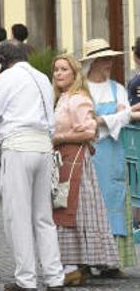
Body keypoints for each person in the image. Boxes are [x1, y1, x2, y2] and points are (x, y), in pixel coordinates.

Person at [0, 41, 64, 290]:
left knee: (18, 217)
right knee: (43, 216)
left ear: (2, 61)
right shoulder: (42, 77)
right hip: (43, 147)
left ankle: (26, 279)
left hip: (18, 147)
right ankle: (54, 276)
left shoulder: (6, 78)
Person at [50, 54, 120, 286]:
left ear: (75, 74)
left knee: (72, 210)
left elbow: (89, 132)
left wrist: (59, 137)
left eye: (64, 69)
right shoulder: (63, 98)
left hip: (76, 159)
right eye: (56, 70)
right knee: (64, 208)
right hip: (64, 158)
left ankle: (72, 266)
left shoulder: (79, 99)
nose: (59, 73)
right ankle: (69, 265)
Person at [80, 38, 138, 276]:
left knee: (113, 202)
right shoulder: (81, 89)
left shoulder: (118, 88)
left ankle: (111, 262)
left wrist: (101, 120)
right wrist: (115, 116)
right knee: (87, 206)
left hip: (112, 153)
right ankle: (84, 260)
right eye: (105, 59)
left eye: (110, 59)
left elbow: (126, 116)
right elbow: (82, 120)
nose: (109, 63)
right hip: (88, 153)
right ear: (93, 62)